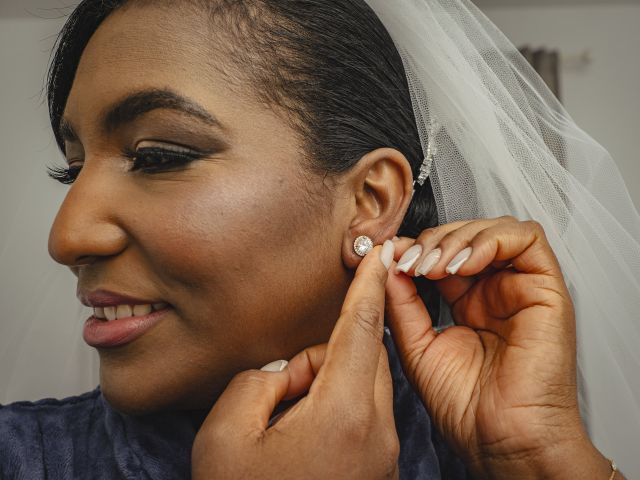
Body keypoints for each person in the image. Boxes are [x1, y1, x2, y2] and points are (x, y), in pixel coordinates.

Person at [1, 0, 638, 478]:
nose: (68, 235)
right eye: (73, 167)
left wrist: (539, 454)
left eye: (157, 155)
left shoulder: (486, 444)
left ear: (370, 201)